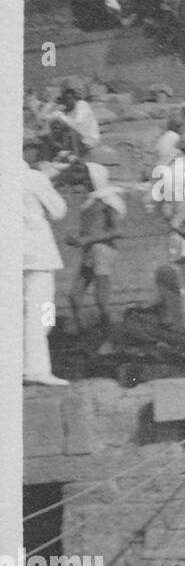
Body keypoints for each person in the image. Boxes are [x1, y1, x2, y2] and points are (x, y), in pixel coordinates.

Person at [23, 136, 70, 386]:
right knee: (42, 313)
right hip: (36, 254)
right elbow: (58, 210)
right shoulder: (34, 178)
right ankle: (36, 369)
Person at [65, 162, 124, 335]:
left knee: (101, 298)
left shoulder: (109, 200)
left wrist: (86, 240)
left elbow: (118, 230)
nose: (83, 182)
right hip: (91, 251)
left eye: (86, 178)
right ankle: (85, 333)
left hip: (102, 251)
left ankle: (109, 337)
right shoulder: (92, 200)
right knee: (74, 296)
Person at [39, 88, 101, 161]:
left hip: (87, 141)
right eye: (64, 99)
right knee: (47, 136)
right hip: (73, 139)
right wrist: (53, 102)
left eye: (69, 98)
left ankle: (75, 160)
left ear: (75, 98)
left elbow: (78, 123)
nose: (67, 101)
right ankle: (48, 159)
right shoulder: (66, 110)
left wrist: (60, 116)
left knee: (67, 129)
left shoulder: (82, 104)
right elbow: (43, 117)